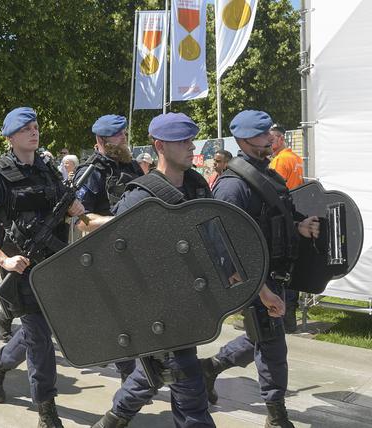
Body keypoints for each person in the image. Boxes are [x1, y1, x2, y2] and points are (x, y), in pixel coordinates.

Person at [92, 113, 215, 428]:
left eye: (191, 139)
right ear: (160, 145)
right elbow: (113, 252)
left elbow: (215, 238)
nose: (191, 146)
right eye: (182, 141)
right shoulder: (140, 195)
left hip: (192, 302)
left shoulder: (197, 185)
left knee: (152, 373)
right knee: (190, 389)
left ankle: (114, 418)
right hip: (158, 310)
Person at [200, 110, 319, 428]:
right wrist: (261, 290)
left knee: (262, 337)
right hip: (255, 279)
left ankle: (211, 367)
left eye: (268, 132)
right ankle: (276, 414)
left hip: (277, 274)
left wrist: (300, 226)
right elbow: (223, 247)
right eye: (261, 134)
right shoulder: (232, 187)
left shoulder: (271, 177)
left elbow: (280, 220)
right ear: (242, 140)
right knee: (273, 344)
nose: (269, 138)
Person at [0, 107, 84, 427]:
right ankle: (46, 408)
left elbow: (66, 205)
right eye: (26, 129)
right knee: (40, 339)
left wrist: (75, 208)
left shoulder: (47, 169)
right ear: (10, 138)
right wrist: (3, 259)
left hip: (53, 263)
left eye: (35, 127)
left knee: (38, 333)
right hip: (20, 268)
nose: (34, 132)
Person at [74, 114, 143, 383]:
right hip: (105, 255)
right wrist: (120, 223)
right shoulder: (91, 172)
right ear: (101, 140)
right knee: (120, 318)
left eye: (124, 133)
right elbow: (82, 221)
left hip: (134, 251)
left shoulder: (134, 167)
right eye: (118, 135)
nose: (124, 137)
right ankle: (129, 375)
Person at [269, 124, 305, 332]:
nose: (269, 143)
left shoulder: (280, 160)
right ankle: (290, 317)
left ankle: (283, 320)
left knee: (281, 271)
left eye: (272, 139)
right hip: (295, 212)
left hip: (283, 217)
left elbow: (272, 189)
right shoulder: (296, 159)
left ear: (281, 139)